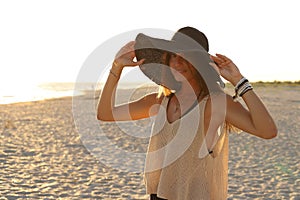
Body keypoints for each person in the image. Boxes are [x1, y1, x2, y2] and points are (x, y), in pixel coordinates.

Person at [97, 27, 277, 200]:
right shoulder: (160, 101)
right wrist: (116, 67)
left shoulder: (214, 103)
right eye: (173, 56)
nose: (177, 63)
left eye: (186, 57)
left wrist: (239, 81)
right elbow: (105, 114)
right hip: (158, 195)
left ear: (198, 63)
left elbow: (267, 131)